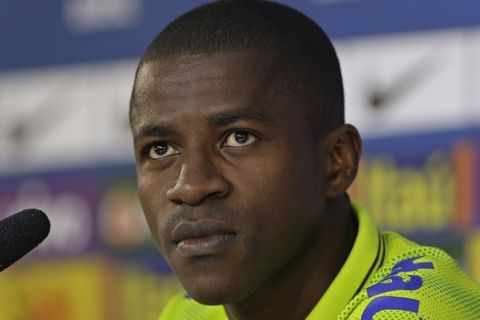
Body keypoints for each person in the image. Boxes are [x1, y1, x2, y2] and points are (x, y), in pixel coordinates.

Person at [128, 1, 480, 319]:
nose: (189, 186)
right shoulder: (188, 314)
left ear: (336, 160)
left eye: (238, 138)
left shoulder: (419, 314)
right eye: (161, 149)